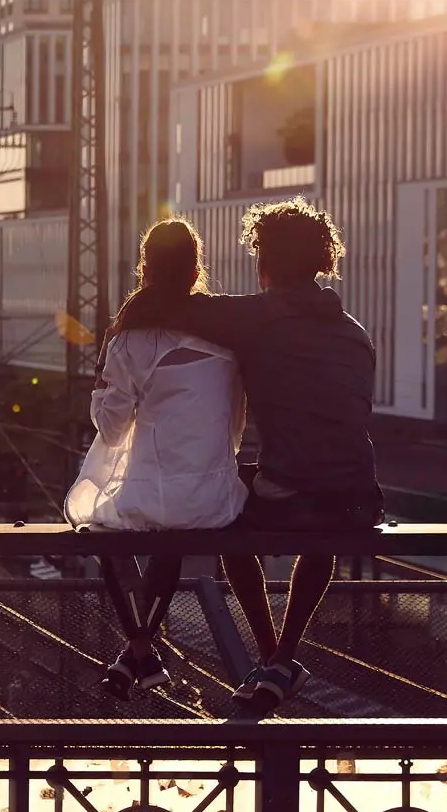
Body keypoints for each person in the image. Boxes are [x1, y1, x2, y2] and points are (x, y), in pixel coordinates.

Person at [118, 196, 384, 714]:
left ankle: (269, 656)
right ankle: (281, 659)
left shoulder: (255, 317)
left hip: (293, 497)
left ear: (264, 262)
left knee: (224, 508)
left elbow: (172, 304)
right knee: (321, 511)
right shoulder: (355, 331)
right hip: (360, 498)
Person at [65, 218, 249, 701]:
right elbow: (233, 424)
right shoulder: (228, 338)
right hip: (217, 498)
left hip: (164, 496)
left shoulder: (131, 339)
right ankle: (138, 657)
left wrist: (100, 392)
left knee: (103, 530)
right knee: (169, 534)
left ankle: (140, 649)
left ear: (145, 269)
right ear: (195, 272)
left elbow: (111, 428)